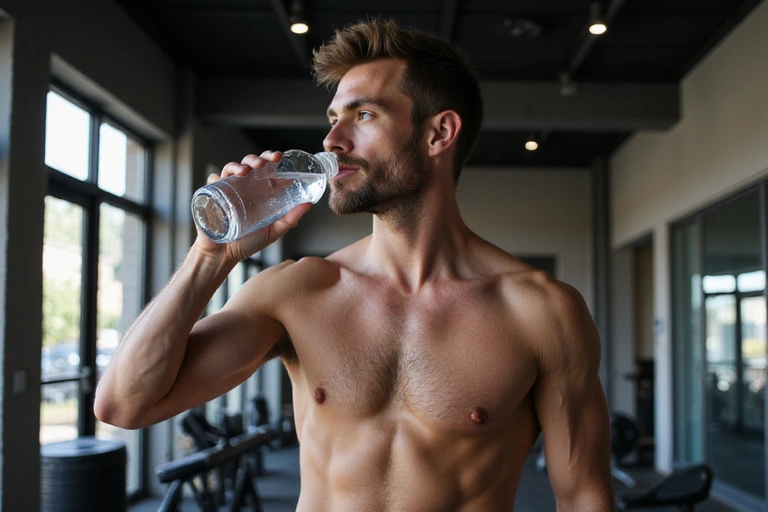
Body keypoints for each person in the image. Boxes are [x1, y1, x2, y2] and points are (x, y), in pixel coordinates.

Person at [95, 19, 616, 511]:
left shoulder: (542, 312)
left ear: (439, 134)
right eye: (333, 118)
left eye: (363, 115)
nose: (332, 141)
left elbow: (583, 497)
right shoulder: (297, 293)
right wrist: (212, 254)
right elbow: (124, 406)